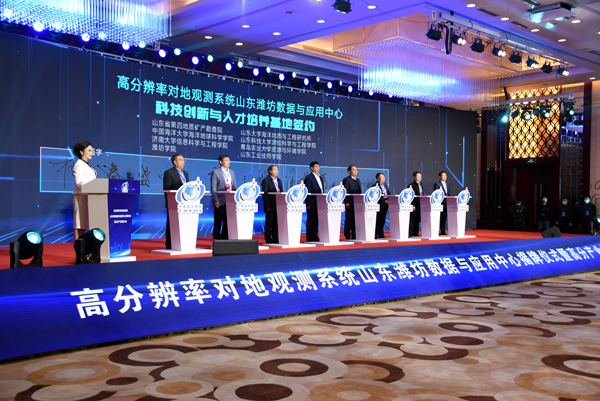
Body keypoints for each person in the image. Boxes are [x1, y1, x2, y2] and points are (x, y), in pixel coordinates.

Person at [163, 153, 189, 249]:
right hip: (173, 203)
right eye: (180, 160)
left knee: (183, 223)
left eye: (183, 160)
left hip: (184, 203)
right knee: (171, 223)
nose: (183, 162)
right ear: (175, 162)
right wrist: (168, 202)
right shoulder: (169, 173)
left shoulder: (185, 173)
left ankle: (182, 242)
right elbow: (167, 189)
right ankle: (169, 244)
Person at [72, 141, 97, 241]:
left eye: (92, 151)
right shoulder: (79, 165)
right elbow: (79, 184)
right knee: (80, 224)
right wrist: (93, 187)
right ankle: (79, 248)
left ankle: (84, 247)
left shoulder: (86, 164)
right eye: (89, 151)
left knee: (85, 224)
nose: (92, 153)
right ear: (81, 152)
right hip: (81, 197)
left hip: (89, 197)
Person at [211, 154, 237, 240]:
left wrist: (237, 198)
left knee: (227, 222)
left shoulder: (232, 173)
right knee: (218, 222)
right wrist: (215, 200)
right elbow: (213, 188)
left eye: (229, 160)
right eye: (226, 160)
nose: (228, 162)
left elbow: (234, 187)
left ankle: (225, 240)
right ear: (221, 162)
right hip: (220, 201)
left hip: (230, 201)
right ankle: (216, 241)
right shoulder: (215, 172)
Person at [261, 165, 283, 244]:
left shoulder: (279, 180)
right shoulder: (266, 180)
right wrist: (267, 205)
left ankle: (276, 238)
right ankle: (268, 239)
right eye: (274, 170)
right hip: (270, 205)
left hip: (278, 205)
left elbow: (281, 192)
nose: (276, 171)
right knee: (269, 223)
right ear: (270, 171)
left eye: (277, 170)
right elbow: (265, 194)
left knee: (276, 223)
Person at [303, 161, 324, 242]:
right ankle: (310, 237)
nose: (318, 168)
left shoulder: (320, 177)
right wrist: (308, 203)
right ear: (312, 168)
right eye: (316, 166)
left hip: (320, 202)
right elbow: (307, 192)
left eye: (318, 166)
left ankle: (315, 236)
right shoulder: (309, 178)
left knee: (316, 221)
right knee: (311, 220)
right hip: (312, 203)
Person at [342, 165, 361, 240]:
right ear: (349, 171)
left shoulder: (358, 180)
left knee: (356, 220)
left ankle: (354, 235)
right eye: (354, 170)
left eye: (356, 169)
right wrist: (346, 202)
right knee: (349, 219)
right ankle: (347, 235)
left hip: (357, 203)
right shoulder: (346, 180)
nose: (356, 171)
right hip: (350, 203)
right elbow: (345, 192)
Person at [433, 171, 451, 235]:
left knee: (444, 217)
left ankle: (443, 231)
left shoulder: (448, 185)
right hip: (440, 203)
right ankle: (436, 231)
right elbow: (436, 194)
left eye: (445, 175)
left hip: (446, 203)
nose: (445, 177)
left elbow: (449, 194)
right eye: (443, 175)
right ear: (440, 177)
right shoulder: (437, 184)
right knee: (438, 217)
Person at [372, 173, 390, 239]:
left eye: (384, 177)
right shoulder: (374, 186)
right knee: (378, 220)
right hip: (379, 204)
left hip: (385, 205)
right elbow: (376, 196)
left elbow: (388, 194)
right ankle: (376, 234)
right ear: (378, 178)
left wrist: (389, 200)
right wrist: (383, 201)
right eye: (382, 177)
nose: (383, 179)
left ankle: (381, 234)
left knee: (383, 220)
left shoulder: (385, 185)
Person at [408, 171, 424, 237]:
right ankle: (411, 233)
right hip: (414, 205)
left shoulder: (421, 185)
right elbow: (410, 196)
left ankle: (416, 233)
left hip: (420, 204)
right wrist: (412, 205)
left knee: (417, 219)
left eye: (420, 176)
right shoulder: (411, 185)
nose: (419, 178)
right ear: (414, 177)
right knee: (412, 219)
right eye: (418, 176)